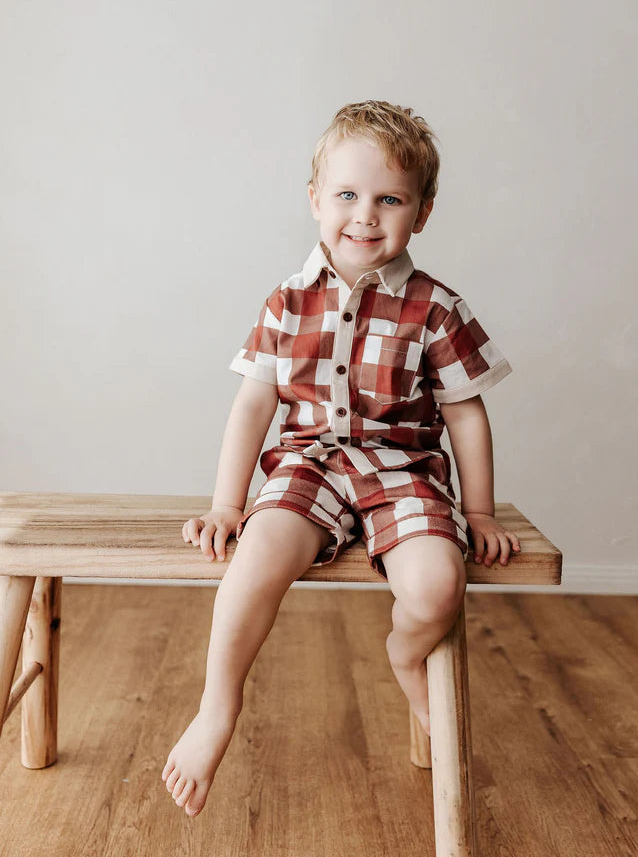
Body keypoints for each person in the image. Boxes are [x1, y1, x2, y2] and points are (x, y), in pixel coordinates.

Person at [161, 100, 520, 817]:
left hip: (402, 470)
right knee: (257, 555)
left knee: (436, 586)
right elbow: (254, 406)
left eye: (389, 199)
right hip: (308, 464)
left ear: (420, 213)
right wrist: (229, 503)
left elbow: (464, 414)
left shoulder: (435, 308)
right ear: (314, 201)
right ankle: (216, 708)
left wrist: (475, 511)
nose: (364, 215)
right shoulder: (287, 301)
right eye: (347, 195)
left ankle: (405, 653)